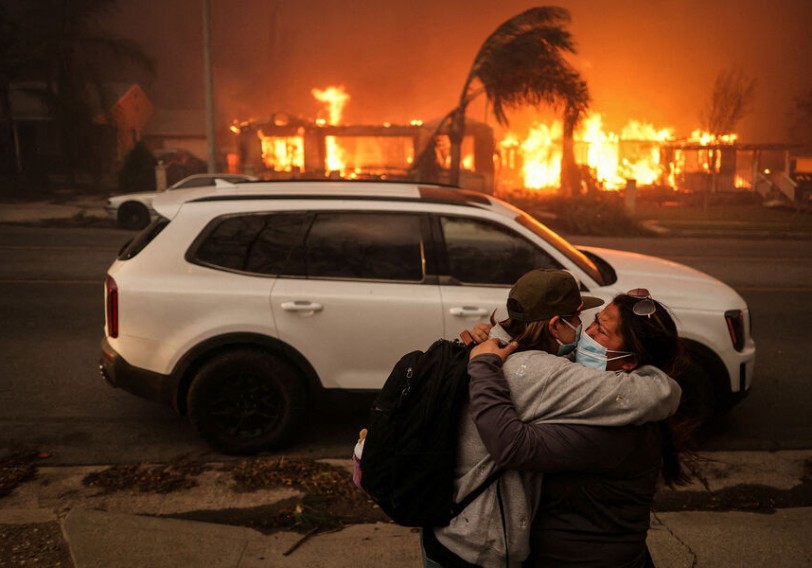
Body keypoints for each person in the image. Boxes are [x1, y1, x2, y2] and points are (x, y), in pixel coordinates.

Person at [421, 269, 682, 568]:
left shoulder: (494, 355)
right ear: (557, 325)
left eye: (600, 328)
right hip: (476, 549)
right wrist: (662, 382)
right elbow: (658, 392)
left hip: (454, 531)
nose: (588, 333)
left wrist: (490, 344)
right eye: (587, 321)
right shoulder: (547, 376)